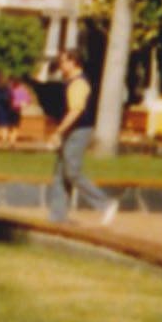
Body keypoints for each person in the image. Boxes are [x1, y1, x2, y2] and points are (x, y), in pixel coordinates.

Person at [45, 49, 118, 225]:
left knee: (72, 171)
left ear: (73, 62)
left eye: (63, 61)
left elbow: (76, 111)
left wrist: (59, 131)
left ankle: (105, 203)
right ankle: (58, 217)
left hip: (79, 130)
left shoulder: (78, 84)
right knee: (60, 173)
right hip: (71, 130)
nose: (60, 65)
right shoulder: (69, 82)